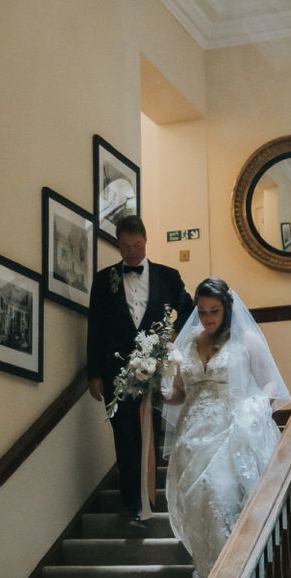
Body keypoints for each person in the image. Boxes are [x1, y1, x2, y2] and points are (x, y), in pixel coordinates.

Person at [162, 278, 291, 578]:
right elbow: (179, 393)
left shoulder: (245, 340)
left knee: (219, 498)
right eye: (202, 311)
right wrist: (157, 387)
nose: (207, 319)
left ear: (227, 309)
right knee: (200, 508)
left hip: (230, 434)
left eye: (214, 311)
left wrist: (257, 408)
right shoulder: (189, 342)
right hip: (192, 439)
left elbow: (271, 384)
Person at [87, 215, 193, 522]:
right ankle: (130, 504)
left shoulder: (167, 276)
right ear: (118, 244)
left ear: (145, 241)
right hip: (114, 372)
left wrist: (173, 334)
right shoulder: (103, 279)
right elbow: (95, 327)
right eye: (125, 246)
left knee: (149, 435)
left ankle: (150, 498)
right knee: (123, 436)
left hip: (155, 369)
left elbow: (187, 308)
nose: (131, 251)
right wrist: (94, 373)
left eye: (136, 245)